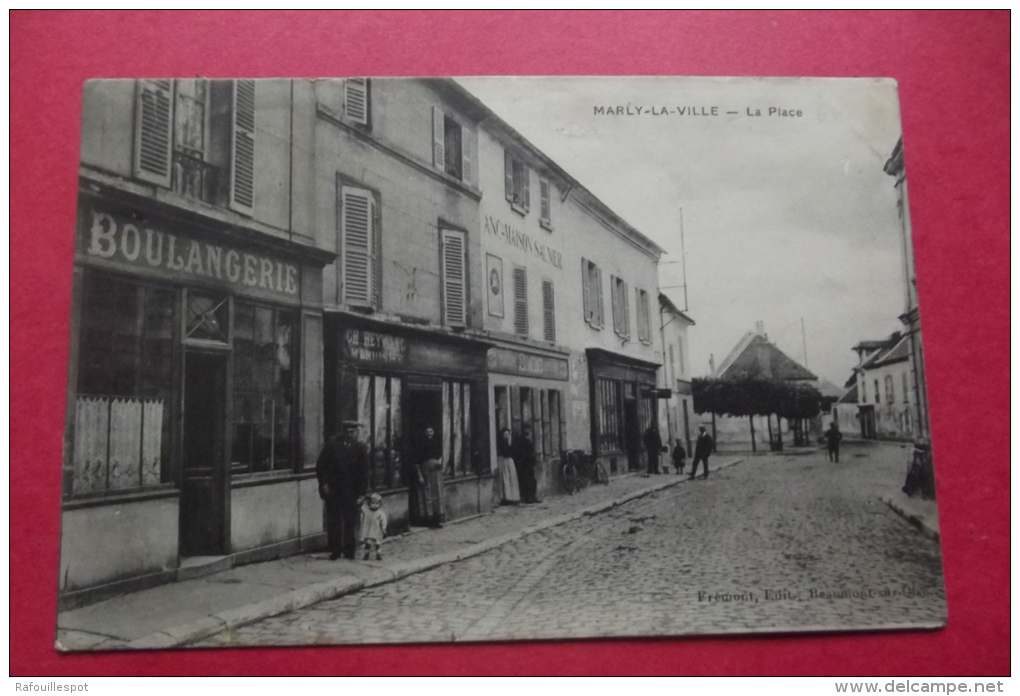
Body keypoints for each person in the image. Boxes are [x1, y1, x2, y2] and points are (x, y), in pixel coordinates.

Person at [316, 420, 369, 560]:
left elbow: (364, 472)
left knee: (350, 521)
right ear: (343, 432)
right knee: (334, 520)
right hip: (334, 488)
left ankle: (349, 551)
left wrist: (362, 493)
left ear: (357, 433)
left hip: (352, 490)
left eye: (352, 432)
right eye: (347, 432)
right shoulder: (332, 444)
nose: (349, 435)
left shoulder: (361, 448)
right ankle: (335, 550)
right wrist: (324, 483)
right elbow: (321, 465)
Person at [409, 426, 445, 528]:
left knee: (437, 493)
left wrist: (440, 461)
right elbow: (416, 462)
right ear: (424, 433)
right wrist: (419, 475)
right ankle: (428, 520)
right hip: (425, 471)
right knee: (426, 494)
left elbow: (441, 456)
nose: (429, 433)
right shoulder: (420, 445)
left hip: (436, 471)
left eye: (431, 431)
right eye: (427, 431)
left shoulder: (437, 443)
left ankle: (436, 519)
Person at [359, 492, 388, 561]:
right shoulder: (366, 511)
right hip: (369, 531)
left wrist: (384, 528)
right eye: (373, 503)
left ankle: (378, 554)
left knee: (377, 543)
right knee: (368, 543)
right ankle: (366, 554)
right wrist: (364, 498)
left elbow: (384, 521)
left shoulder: (380, 513)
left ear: (380, 504)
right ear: (369, 503)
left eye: (377, 503)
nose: (375, 505)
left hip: (377, 530)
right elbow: (361, 506)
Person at [516, 424, 540, 504]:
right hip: (524, 464)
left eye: (528, 430)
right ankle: (527, 497)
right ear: (523, 430)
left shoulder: (528, 439)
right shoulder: (520, 440)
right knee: (526, 481)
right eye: (526, 429)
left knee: (532, 480)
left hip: (530, 464)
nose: (527, 431)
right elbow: (521, 453)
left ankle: (533, 496)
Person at [496, 427, 521, 505]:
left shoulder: (508, 443)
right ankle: (506, 497)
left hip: (509, 462)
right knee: (505, 478)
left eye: (508, 434)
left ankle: (512, 496)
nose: (507, 436)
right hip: (505, 462)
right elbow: (506, 453)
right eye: (505, 434)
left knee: (510, 478)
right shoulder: (502, 444)